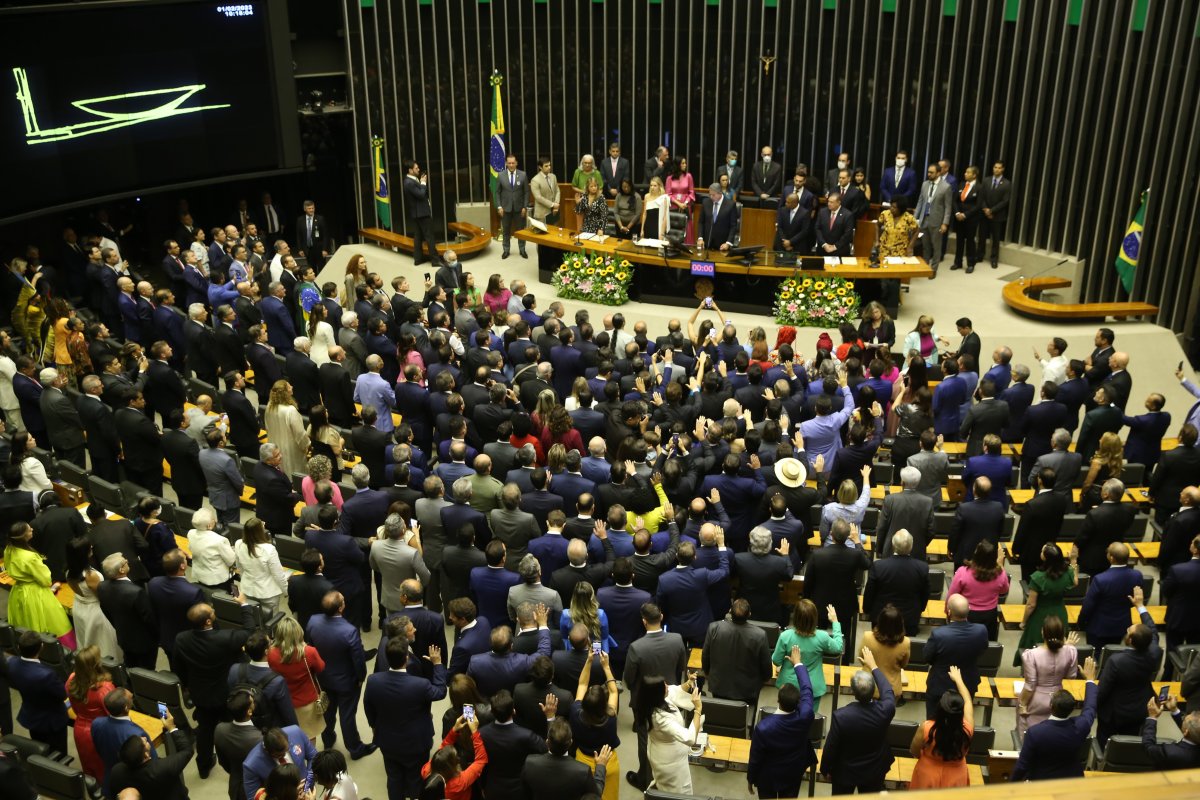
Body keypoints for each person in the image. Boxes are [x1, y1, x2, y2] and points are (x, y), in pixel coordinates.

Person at [173, 596, 257, 779]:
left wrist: (186, 685)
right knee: (233, 728)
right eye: (212, 612)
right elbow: (250, 631)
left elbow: (178, 666)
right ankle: (236, 761)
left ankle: (203, 766)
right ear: (208, 621)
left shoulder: (181, 639)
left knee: (205, 730)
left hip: (200, 694)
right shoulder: (225, 638)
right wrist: (245, 606)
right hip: (226, 694)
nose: (215, 612)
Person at [365, 636, 446, 799]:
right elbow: (440, 692)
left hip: (388, 741)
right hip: (416, 742)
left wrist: (375, 727)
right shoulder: (420, 685)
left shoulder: (373, 681)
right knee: (416, 779)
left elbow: (369, 708)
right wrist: (437, 664)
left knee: (394, 779)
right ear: (407, 658)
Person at [621, 602, 687, 791]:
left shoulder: (636, 647)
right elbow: (680, 667)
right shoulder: (677, 639)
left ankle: (645, 778)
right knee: (671, 735)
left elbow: (628, 679)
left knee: (644, 739)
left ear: (644, 622)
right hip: (671, 697)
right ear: (662, 617)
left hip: (644, 702)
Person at [306, 591, 376, 760]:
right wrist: (360, 678)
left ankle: (328, 740)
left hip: (323, 678)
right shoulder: (349, 631)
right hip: (346, 682)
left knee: (327, 711)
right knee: (347, 715)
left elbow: (310, 647)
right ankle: (355, 748)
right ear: (341, 608)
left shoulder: (313, 621)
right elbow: (358, 660)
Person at [820, 647, 897, 794]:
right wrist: (873, 666)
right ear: (873, 690)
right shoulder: (886, 710)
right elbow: (887, 690)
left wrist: (825, 769)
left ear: (853, 693)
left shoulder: (841, 717)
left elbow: (831, 747)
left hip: (845, 772)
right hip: (874, 770)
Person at [1096, 585, 1161, 746]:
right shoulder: (1154, 652)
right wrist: (1140, 606)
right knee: (1129, 742)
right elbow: (1153, 630)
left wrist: (1091, 707)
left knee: (1104, 742)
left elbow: (1103, 690)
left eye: (1129, 630)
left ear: (1130, 640)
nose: (1127, 629)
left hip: (1113, 712)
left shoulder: (1116, 661)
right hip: (1139, 708)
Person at [747, 657, 816, 799]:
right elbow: (807, 688)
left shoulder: (763, 728)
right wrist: (798, 664)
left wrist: (751, 779)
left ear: (778, 700)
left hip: (768, 778)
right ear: (798, 703)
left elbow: (755, 758)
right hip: (793, 773)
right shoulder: (805, 716)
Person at [804, 519, 869, 664]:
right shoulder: (855, 554)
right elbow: (868, 563)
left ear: (831, 534)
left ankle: (818, 660)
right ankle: (844, 662)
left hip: (820, 602)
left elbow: (808, 582)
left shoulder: (817, 555)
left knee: (819, 633)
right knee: (844, 634)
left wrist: (807, 600)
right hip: (845, 603)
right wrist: (858, 541)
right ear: (847, 536)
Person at [632, 673, 701, 794]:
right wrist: (698, 710)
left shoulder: (653, 700)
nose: (667, 686)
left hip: (669, 753)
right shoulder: (659, 717)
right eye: (664, 686)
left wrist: (688, 683)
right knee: (677, 792)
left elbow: (675, 690)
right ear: (657, 694)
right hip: (669, 763)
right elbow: (689, 738)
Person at [4, 521, 72, 643]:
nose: (32, 529)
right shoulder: (30, 557)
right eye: (29, 530)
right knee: (53, 622)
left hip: (18, 591)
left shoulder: (8, 549)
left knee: (24, 622)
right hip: (35, 593)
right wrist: (52, 588)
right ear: (24, 536)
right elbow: (45, 580)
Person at [1015, 615, 1080, 741]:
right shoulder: (1071, 651)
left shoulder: (1031, 655)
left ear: (1043, 632)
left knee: (1030, 735)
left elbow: (1030, 684)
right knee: (1054, 735)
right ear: (1062, 634)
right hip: (1058, 698)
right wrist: (1067, 647)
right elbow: (1071, 676)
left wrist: (1022, 703)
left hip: (1036, 699)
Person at [908, 665, 974, 789]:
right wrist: (958, 680)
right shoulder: (967, 729)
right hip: (956, 777)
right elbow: (968, 701)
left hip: (928, 774)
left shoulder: (927, 728)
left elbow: (914, 751)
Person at [924, 594, 989, 719]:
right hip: (968, 682)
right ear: (969, 609)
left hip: (940, 684)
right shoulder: (981, 630)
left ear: (949, 612)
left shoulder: (938, 634)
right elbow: (982, 650)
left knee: (934, 721)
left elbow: (927, 657)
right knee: (962, 720)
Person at [567, 650, 621, 800]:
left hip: (582, 764)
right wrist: (606, 666)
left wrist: (589, 660)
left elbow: (582, 684)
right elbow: (614, 691)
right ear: (604, 703)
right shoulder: (611, 716)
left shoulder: (575, 712)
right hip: (607, 763)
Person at [108, 710, 193, 800]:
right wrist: (172, 728)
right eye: (145, 742)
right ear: (145, 754)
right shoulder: (163, 768)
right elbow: (187, 751)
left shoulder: (116, 772)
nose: (145, 738)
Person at [8, 630, 69, 754]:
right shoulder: (46, 675)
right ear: (42, 647)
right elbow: (62, 694)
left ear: (19, 647)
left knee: (40, 752)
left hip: (32, 717)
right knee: (58, 756)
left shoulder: (11, 663)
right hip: (53, 723)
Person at [701, 598, 772, 705]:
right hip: (748, 690)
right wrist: (766, 678)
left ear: (730, 611)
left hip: (719, 685)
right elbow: (766, 664)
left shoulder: (714, 628)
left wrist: (707, 672)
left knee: (719, 713)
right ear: (749, 614)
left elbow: (705, 655)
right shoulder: (760, 635)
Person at [267, 617, 327, 743]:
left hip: (284, 703)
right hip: (307, 703)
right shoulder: (309, 652)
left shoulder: (271, 654)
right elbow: (321, 667)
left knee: (290, 738)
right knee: (310, 737)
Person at [1015, 543, 1077, 662]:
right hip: (1060, 614)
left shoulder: (1038, 577)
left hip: (1040, 616)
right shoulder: (1067, 572)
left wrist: (1023, 622)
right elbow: (1075, 582)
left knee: (1035, 647)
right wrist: (1073, 561)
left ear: (1045, 558)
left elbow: (1031, 605)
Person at [520, 717, 609, 799]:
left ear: (547, 742)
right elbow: (595, 795)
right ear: (570, 743)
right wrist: (601, 766)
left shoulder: (529, 763)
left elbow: (525, 794)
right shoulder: (583, 771)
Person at [863, 527, 928, 639]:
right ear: (911, 547)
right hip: (909, 618)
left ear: (893, 546)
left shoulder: (879, 566)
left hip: (881, 617)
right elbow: (925, 594)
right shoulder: (922, 568)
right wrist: (919, 610)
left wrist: (867, 610)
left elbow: (869, 592)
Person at [772, 599, 842, 700]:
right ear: (815, 618)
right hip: (812, 688)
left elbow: (776, 660)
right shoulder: (822, 637)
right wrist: (835, 622)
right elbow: (838, 647)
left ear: (795, 617)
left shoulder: (785, 636)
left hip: (788, 687)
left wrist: (781, 665)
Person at [64, 537, 120, 658]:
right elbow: (101, 596)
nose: (92, 548)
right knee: (102, 642)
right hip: (94, 611)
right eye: (89, 547)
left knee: (87, 640)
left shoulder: (69, 571)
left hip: (79, 606)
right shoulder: (91, 576)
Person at [66, 645, 116, 779]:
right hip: (100, 734)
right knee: (105, 771)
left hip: (80, 731)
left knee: (90, 771)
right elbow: (114, 715)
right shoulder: (105, 689)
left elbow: (75, 709)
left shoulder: (71, 680)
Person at [947, 540, 1010, 641]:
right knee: (986, 644)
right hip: (989, 616)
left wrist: (948, 612)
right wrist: (1001, 565)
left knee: (965, 643)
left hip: (967, 614)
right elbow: (1004, 591)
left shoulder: (962, 572)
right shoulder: (1000, 574)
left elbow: (951, 595)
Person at [1073, 478, 1136, 578]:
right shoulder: (1130, 509)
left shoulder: (1094, 514)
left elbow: (1081, 538)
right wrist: (1100, 509)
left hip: (1093, 559)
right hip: (1116, 555)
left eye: (1102, 489)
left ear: (1106, 494)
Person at [420, 711, 487, 800]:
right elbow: (481, 760)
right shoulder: (459, 783)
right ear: (452, 766)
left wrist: (454, 730)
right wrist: (474, 731)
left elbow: (442, 749)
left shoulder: (426, 771)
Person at [243, 727, 319, 800]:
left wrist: (308, 782)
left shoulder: (296, 732)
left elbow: (314, 757)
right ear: (267, 751)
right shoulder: (251, 765)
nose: (285, 755)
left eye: (287, 750)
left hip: (308, 794)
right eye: (279, 755)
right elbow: (253, 797)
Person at [264, 380, 310, 477]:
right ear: (285, 392)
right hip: (291, 451)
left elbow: (267, 427)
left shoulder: (269, 407)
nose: (292, 387)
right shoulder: (290, 411)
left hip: (275, 447)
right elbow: (300, 434)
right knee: (294, 475)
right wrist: (307, 446)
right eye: (289, 387)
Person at [404, 160, 445, 266]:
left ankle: (418, 259)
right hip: (421, 213)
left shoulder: (412, 180)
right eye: (416, 168)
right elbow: (421, 194)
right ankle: (435, 260)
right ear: (410, 170)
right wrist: (423, 183)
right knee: (429, 236)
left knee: (418, 236)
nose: (418, 169)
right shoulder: (409, 182)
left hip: (418, 213)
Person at [1143, 695, 1200, 770]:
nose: (1183, 719)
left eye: (1184, 719)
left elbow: (1148, 747)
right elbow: (1192, 729)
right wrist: (1174, 709)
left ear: (1186, 732)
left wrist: (1152, 717)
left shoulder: (1169, 752)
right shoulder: (1193, 735)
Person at [914, 163, 952, 273]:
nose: (929, 174)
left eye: (931, 172)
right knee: (925, 246)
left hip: (937, 221)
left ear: (939, 173)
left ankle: (933, 269)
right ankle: (925, 268)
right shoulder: (925, 184)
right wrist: (914, 218)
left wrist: (945, 223)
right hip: (924, 219)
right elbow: (920, 202)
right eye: (928, 172)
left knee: (936, 247)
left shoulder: (946, 187)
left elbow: (948, 207)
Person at [188, 506, 237, 591]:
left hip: (200, 575)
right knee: (233, 587)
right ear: (209, 525)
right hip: (218, 579)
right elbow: (231, 561)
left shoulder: (190, 533)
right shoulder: (219, 540)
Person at [495, 154, 529, 259]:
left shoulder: (523, 175)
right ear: (506, 163)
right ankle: (506, 250)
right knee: (506, 231)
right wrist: (499, 206)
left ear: (516, 163)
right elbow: (497, 192)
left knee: (521, 231)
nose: (511, 165)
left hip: (519, 208)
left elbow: (526, 192)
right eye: (509, 163)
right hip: (505, 209)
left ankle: (522, 250)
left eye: (513, 163)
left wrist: (525, 207)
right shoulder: (500, 175)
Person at [980, 161, 1012, 269]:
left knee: (996, 239)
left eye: (999, 168)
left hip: (997, 215)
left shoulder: (1007, 183)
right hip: (984, 214)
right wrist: (986, 210)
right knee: (982, 236)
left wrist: (992, 211)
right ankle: (980, 255)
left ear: (1002, 169)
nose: (997, 169)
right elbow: (982, 197)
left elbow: (1005, 201)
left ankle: (994, 259)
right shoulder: (986, 180)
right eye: (995, 167)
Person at [665, 157, 696, 242]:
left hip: (685, 206)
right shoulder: (669, 178)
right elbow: (668, 194)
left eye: (685, 163)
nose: (685, 165)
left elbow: (691, 192)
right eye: (682, 163)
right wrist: (679, 204)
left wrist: (685, 203)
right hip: (674, 205)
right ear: (677, 165)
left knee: (686, 226)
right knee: (674, 226)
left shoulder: (688, 176)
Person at [529, 156, 561, 223]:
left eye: (549, 165)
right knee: (542, 233)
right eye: (546, 166)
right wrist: (552, 204)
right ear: (540, 167)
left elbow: (557, 190)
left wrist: (556, 203)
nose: (549, 167)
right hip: (542, 214)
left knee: (554, 231)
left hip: (554, 211)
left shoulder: (553, 176)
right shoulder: (535, 180)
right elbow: (538, 197)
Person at [638, 176, 670, 240]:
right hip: (647, 227)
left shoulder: (663, 198)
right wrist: (642, 229)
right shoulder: (646, 196)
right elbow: (644, 214)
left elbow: (665, 218)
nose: (652, 187)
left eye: (655, 185)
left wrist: (662, 233)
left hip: (658, 228)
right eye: (651, 185)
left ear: (659, 186)